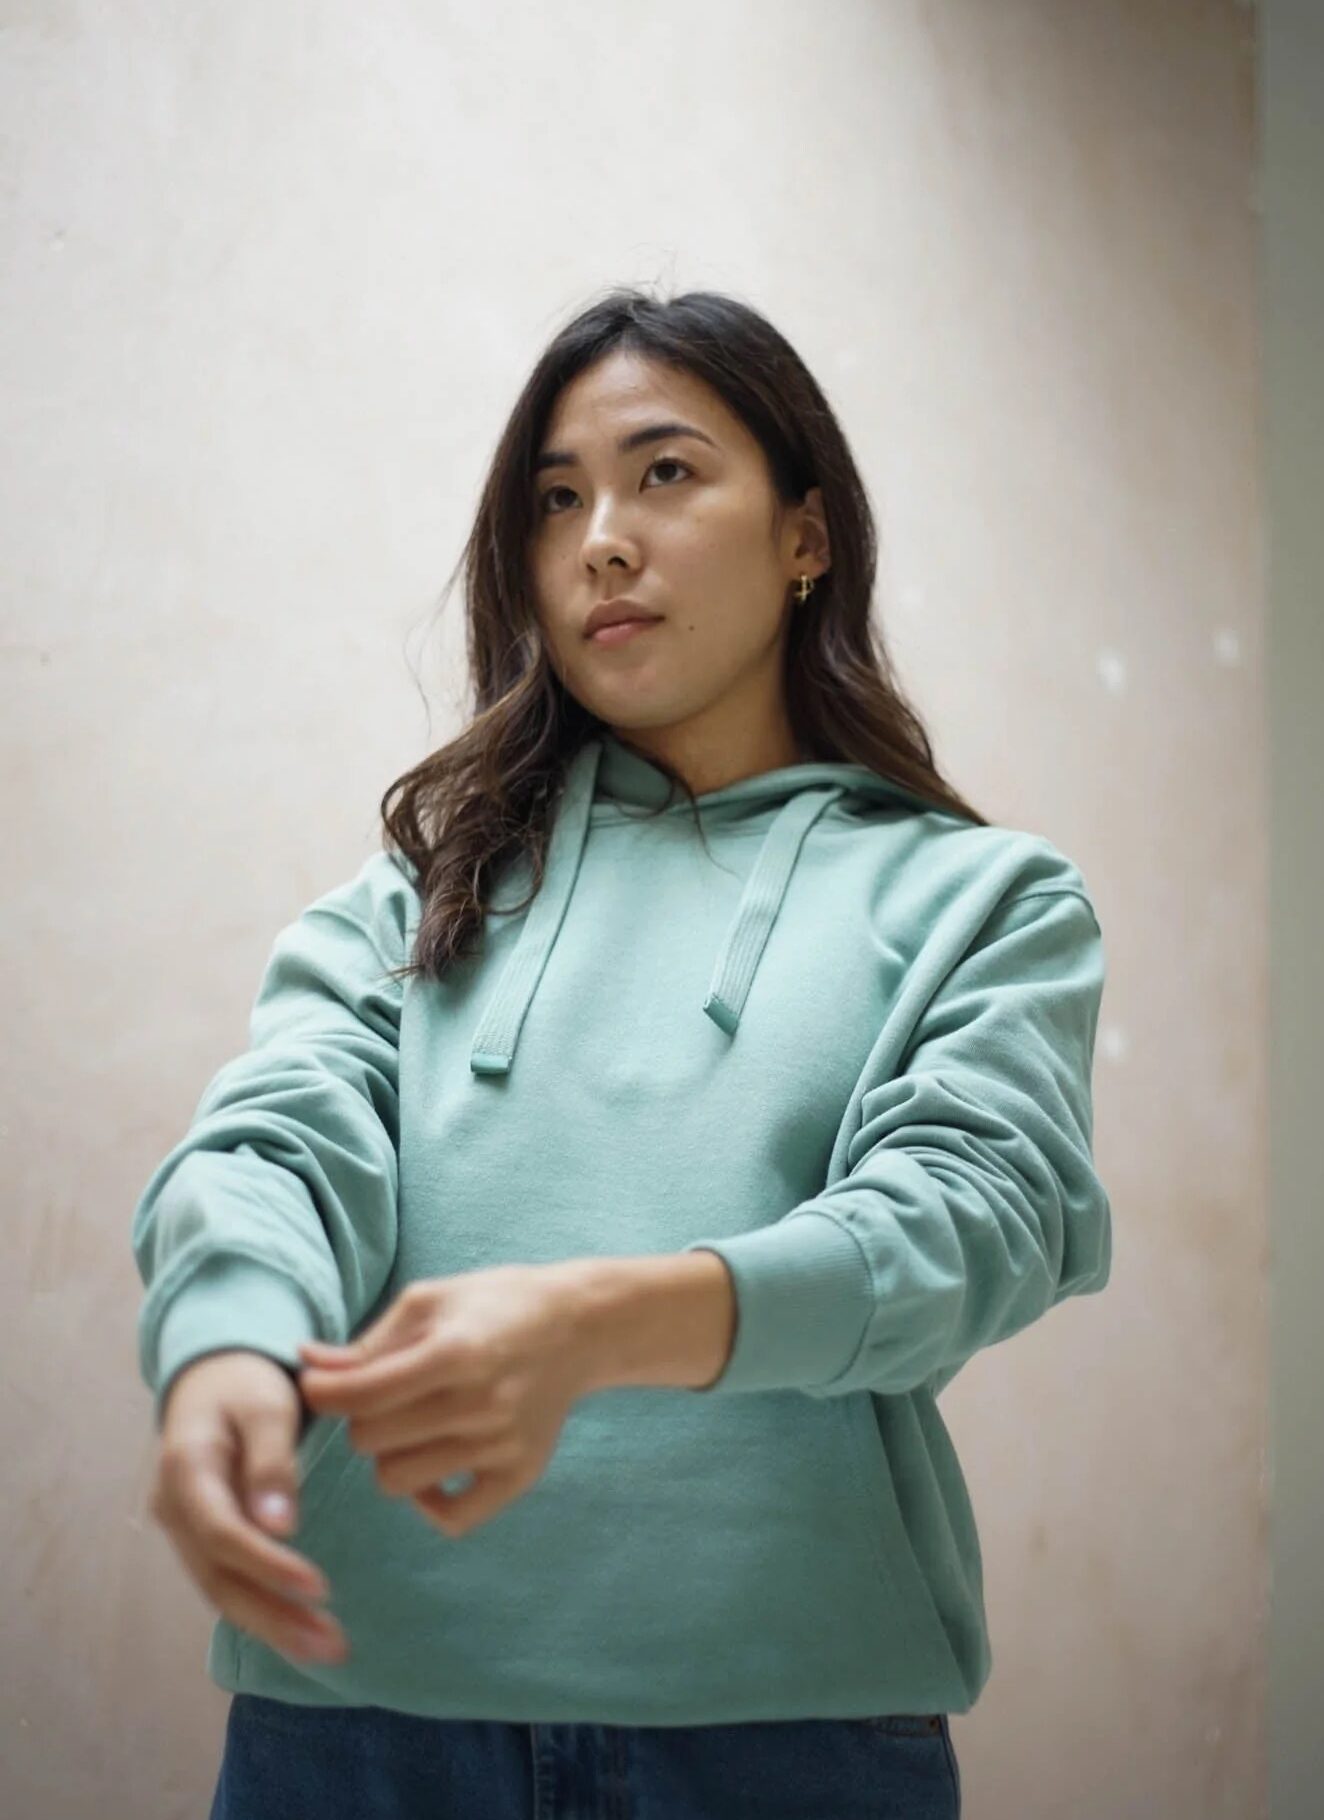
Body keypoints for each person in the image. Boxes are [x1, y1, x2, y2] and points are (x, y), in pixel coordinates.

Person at [132, 286, 1112, 1820]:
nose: (600, 537)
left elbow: (966, 1226)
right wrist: (221, 1351)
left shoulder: (981, 900)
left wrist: (600, 1323)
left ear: (806, 535)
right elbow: (273, 1151)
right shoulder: (418, 896)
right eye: (555, 497)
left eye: (665, 472)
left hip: (788, 1736)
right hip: (355, 1726)